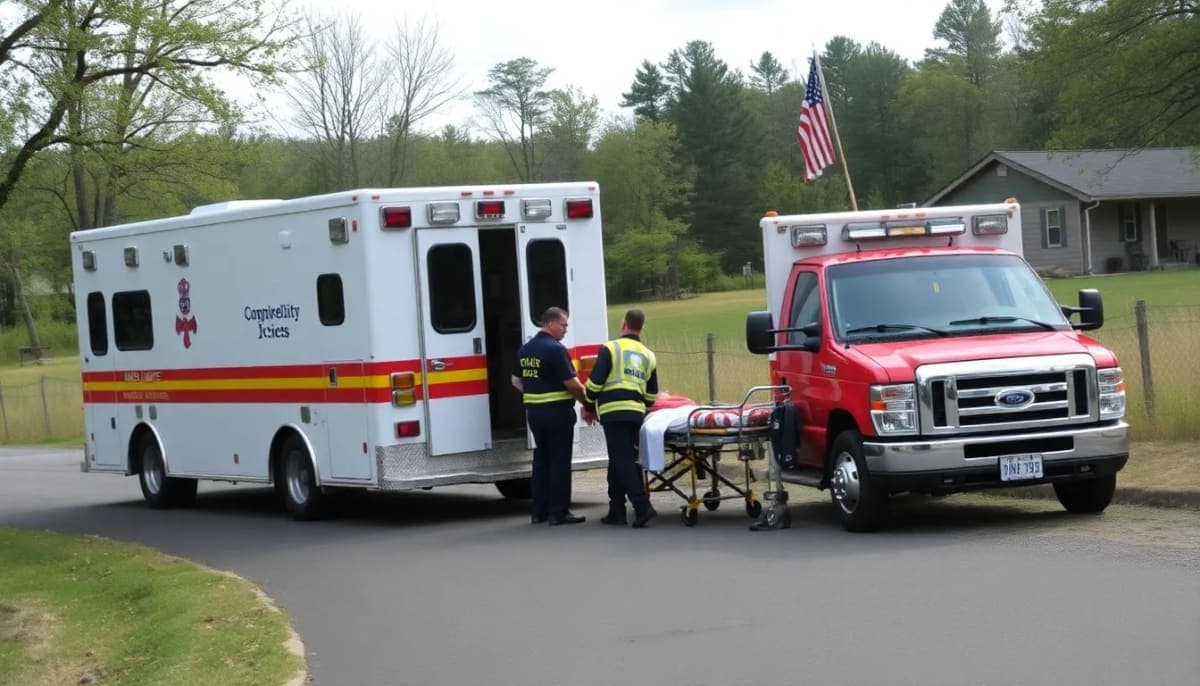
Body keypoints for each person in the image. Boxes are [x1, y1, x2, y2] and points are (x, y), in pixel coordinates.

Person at [511, 307, 588, 526]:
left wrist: (535, 392)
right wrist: (587, 403)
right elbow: (572, 384)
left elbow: (515, 381)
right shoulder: (556, 350)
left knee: (541, 461)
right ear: (551, 324)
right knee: (559, 462)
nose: (565, 329)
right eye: (563, 325)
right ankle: (559, 513)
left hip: (534, 413)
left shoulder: (525, 349)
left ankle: (539, 512)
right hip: (557, 413)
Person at [583, 309, 659, 528]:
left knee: (622, 459)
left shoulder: (610, 348)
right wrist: (640, 406)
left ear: (623, 324)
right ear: (642, 328)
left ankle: (642, 507)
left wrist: (588, 405)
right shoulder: (648, 355)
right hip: (636, 412)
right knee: (621, 460)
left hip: (613, 412)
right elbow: (652, 395)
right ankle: (616, 510)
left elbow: (595, 383)